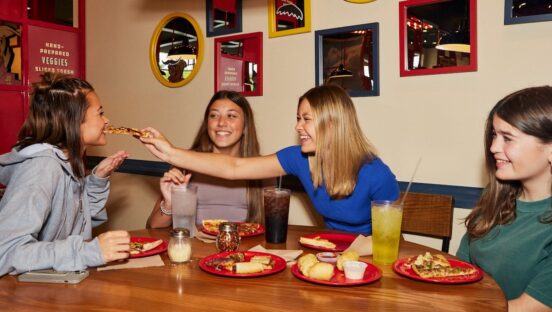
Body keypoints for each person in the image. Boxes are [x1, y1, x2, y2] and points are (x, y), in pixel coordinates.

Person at [140, 85, 399, 234]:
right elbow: (234, 167)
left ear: (333, 124)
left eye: (306, 119)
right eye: (298, 118)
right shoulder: (297, 159)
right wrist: (171, 152)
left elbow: (389, 236)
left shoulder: (376, 174)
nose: (298, 127)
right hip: (329, 253)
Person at [0, 73, 131, 276]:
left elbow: (78, 223)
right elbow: (6, 252)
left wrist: (97, 181)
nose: (107, 120)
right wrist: (87, 252)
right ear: (74, 121)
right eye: (100, 113)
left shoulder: (68, 161)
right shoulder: (42, 168)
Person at [456, 86, 552, 311]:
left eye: (507, 138)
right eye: (494, 135)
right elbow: (459, 271)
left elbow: (525, 308)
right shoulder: (494, 199)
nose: (493, 148)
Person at [146, 91, 267, 228]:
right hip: (195, 247)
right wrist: (169, 203)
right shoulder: (184, 163)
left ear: (245, 126)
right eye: (214, 115)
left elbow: (268, 230)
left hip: (242, 247)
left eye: (231, 116)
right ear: (207, 124)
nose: (221, 122)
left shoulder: (260, 167)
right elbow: (153, 227)